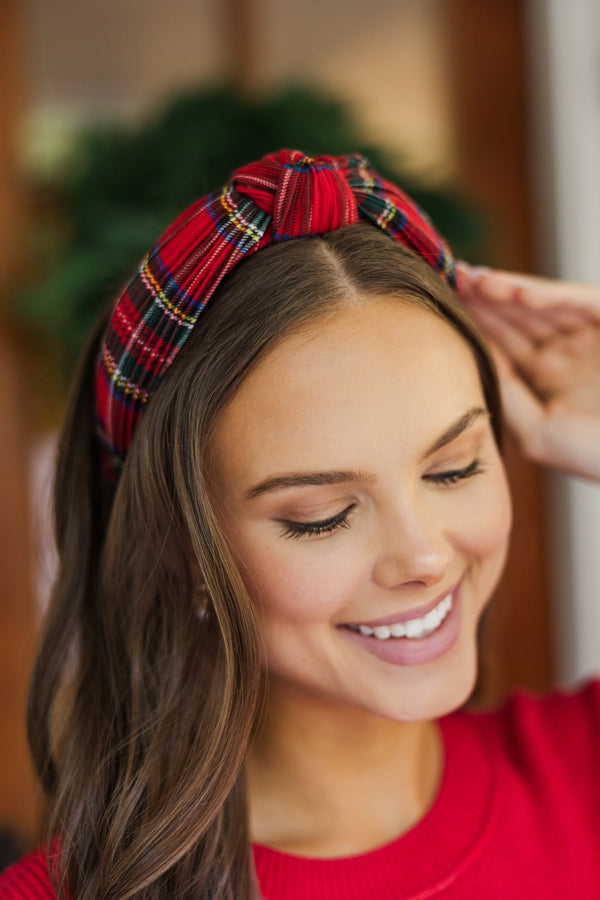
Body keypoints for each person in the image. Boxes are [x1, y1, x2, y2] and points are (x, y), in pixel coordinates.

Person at [0, 150, 599, 900]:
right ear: (182, 550)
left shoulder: (582, 770)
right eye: (321, 517)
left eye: (455, 468)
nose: (422, 556)